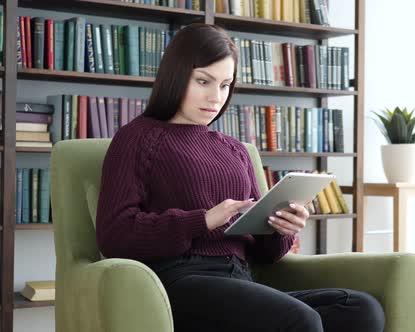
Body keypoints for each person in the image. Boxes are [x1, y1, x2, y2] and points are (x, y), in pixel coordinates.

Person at [96, 23, 385, 332]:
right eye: (203, 81)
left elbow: (266, 254)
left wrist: (280, 228)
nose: (215, 97)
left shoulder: (235, 150)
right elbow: (114, 234)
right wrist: (202, 221)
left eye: (225, 85)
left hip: (240, 279)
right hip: (179, 283)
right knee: (301, 321)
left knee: (362, 310)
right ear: (176, 75)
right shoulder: (137, 138)